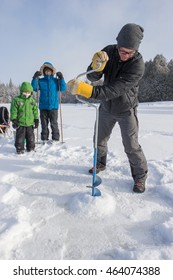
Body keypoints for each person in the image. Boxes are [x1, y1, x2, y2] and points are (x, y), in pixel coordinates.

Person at [67, 23, 148, 193]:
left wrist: (86, 91)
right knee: (99, 139)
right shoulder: (109, 52)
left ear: (136, 50)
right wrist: (96, 65)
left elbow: (114, 90)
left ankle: (140, 177)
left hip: (126, 109)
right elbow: (94, 76)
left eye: (129, 52)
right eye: (122, 50)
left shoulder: (137, 65)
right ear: (117, 44)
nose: (124, 55)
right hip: (106, 107)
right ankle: (100, 164)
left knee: (131, 145)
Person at [31, 62, 66, 143]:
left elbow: (63, 88)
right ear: (44, 72)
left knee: (54, 124)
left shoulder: (56, 81)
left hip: (53, 107)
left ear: (52, 71)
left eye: (49, 71)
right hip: (43, 106)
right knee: (44, 124)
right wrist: (35, 78)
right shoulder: (41, 81)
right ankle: (44, 139)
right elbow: (34, 88)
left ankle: (56, 139)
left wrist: (61, 78)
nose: (48, 72)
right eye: (46, 71)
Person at [10, 82, 39, 154]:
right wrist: (14, 120)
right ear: (22, 91)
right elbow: (13, 110)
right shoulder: (17, 100)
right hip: (20, 123)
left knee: (31, 138)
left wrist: (36, 119)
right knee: (20, 138)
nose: (27, 93)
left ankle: (31, 148)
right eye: (25, 91)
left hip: (30, 123)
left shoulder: (32, 101)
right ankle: (20, 149)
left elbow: (35, 111)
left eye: (28, 92)